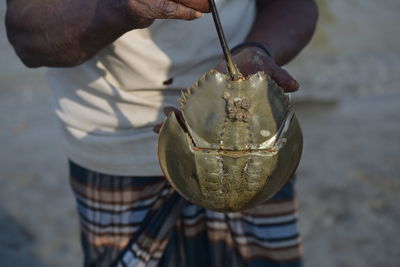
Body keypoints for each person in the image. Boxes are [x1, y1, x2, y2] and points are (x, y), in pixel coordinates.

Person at [6, 0, 318, 266]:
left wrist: (259, 48)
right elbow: (26, 36)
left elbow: (294, 4)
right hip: (113, 142)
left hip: (261, 137)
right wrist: (125, 6)